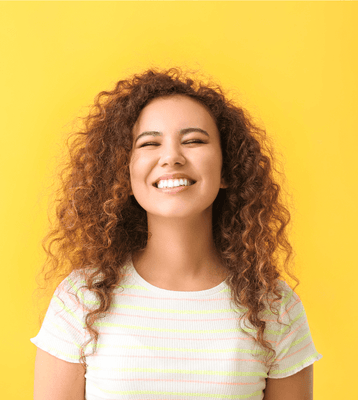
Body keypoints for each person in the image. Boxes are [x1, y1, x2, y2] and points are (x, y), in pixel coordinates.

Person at [31, 68, 323, 400]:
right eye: (149, 143)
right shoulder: (80, 300)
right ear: (123, 174)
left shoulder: (275, 308)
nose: (171, 157)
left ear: (227, 169)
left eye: (194, 140)